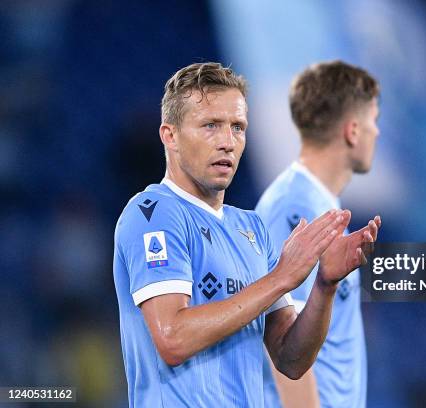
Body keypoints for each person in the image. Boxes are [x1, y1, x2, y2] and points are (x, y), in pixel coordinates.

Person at [112, 62, 381, 407]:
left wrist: (324, 285)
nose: (227, 142)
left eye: (238, 127)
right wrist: (281, 278)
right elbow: (172, 339)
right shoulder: (153, 213)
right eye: (210, 126)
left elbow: (291, 360)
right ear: (170, 135)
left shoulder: (251, 228)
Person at [256, 60, 380, 408]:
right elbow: (281, 344)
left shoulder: (317, 204)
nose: (377, 132)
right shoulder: (294, 207)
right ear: (352, 131)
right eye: (374, 119)